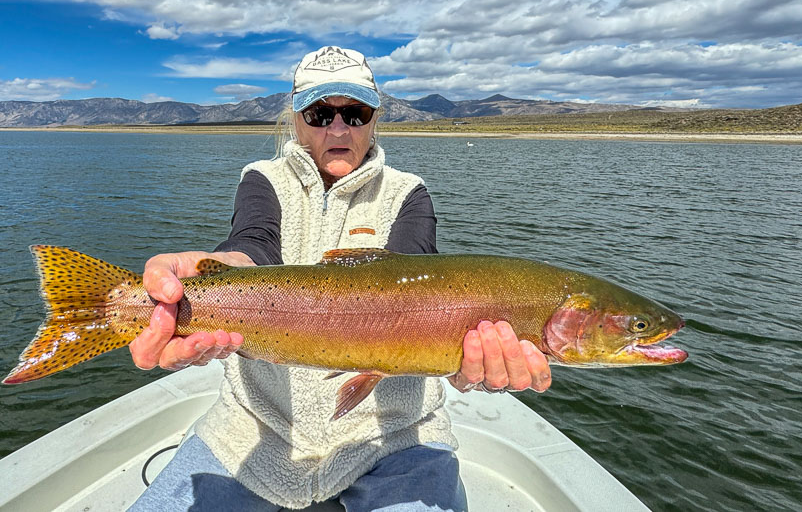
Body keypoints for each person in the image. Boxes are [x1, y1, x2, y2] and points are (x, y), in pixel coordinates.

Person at [128, 46, 551, 511]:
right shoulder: (262, 179)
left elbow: (411, 272)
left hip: (396, 439)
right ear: (295, 119)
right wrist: (219, 275)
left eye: (354, 113)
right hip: (252, 433)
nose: (337, 128)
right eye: (319, 112)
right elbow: (255, 244)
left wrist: (458, 359)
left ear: (374, 119)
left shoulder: (408, 192)